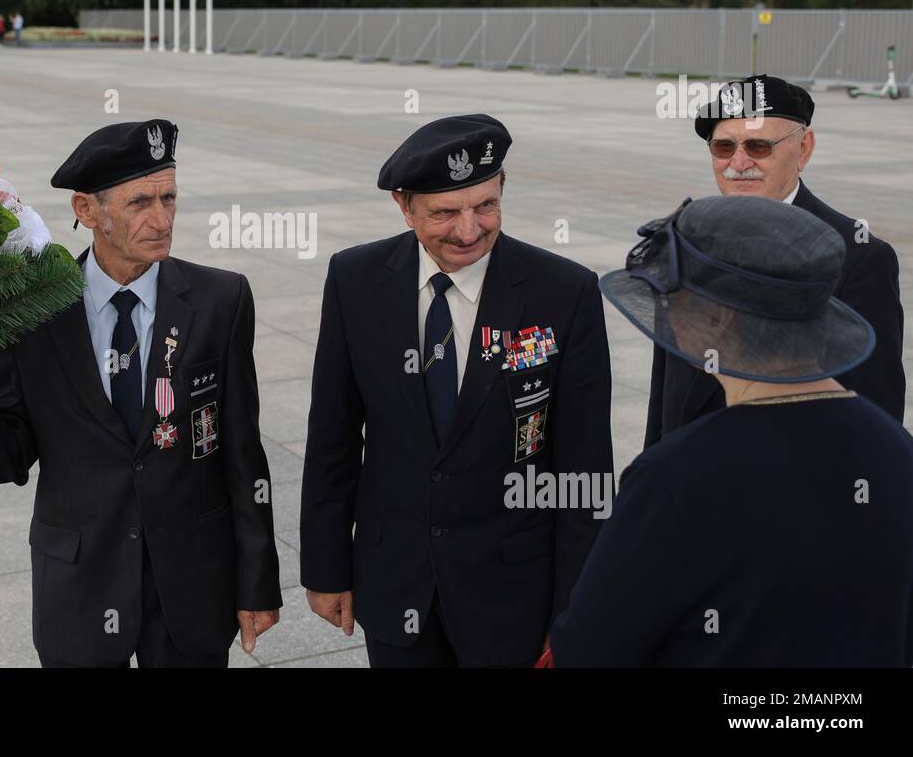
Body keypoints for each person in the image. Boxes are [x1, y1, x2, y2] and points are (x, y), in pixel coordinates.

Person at [0, 119, 282, 667]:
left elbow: (243, 454)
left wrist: (256, 581)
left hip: (190, 585)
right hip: (80, 585)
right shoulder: (30, 309)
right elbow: (9, 452)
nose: (162, 220)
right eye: (139, 202)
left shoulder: (221, 300)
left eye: (169, 198)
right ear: (87, 211)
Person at [300, 114, 614, 667]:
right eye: (445, 212)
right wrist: (326, 569)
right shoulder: (355, 279)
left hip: (516, 596)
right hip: (396, 583)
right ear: (403, 204)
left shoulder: (564, 292)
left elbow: (584, 468)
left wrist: (577, 607)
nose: (468, 231)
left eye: (485, 206)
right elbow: (333, 437)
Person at [552, 195, 913, 666]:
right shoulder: (898, 453)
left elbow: (589, 650)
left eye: (673, 297)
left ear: (715, 320)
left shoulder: (675, 478)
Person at [645, 74, 904, 445]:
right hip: (684, 487)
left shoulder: (859, 260)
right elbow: (665, 396)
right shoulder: (684, 242)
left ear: (803, 150)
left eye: (758, 146)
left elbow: (875, 423)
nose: (738, 162)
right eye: (723, 147)